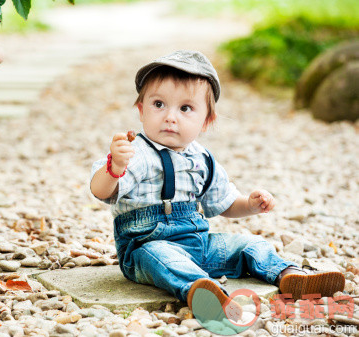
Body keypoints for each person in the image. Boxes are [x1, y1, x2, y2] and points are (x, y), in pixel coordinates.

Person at [90, 50, 345, 321]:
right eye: (158, 104)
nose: (170, 117)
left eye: (185, 108)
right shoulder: (135, 153)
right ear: (141, 111)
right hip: (146, 246)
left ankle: (289, 275)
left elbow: (223, 202)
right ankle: (201, 290)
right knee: (163, 259)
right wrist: (114, 167)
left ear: (206, 121)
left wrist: (249, 204)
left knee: (249, 244)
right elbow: (101, 190)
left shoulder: (202, 159)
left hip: (199, 244)